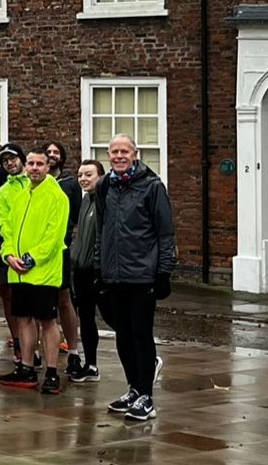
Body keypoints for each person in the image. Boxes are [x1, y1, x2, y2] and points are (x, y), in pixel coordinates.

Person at [98, 135, 175, 421]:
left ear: (135, 154)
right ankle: (133, 388)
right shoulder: (106, 185)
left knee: (141, 334)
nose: (119, 156)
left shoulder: (152, 186)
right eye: (114, 151)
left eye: (124, 151)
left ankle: (147, 396)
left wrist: (164, 272)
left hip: (143, 274)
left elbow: (165, 233)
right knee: (123, 335)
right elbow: (102, 230)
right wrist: (99, 267)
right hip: (114, 274)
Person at [0, 148, 71, 394]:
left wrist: (31, 258)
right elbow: (6, 228)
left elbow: (54, 235)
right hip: (17, 270)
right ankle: (26, 367)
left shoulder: (57, 196)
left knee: (47, 321)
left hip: (44, 272)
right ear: (25, 166)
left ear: (48, 167)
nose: (35, 168)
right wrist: (8, 255)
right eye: (31, 163)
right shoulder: (18, 195)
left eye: (40, 164)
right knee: (24, 319)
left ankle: (51, 371)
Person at [65, 159, 104, 384]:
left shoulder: (103, 201)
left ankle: (146, 358)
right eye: (80, 175)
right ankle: (91, 365)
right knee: (86, 319)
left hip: (96, 271)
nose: (83, 179)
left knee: (113, 317)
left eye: (88, 174)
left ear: (100, 176)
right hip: (80, 270)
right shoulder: (85, 200)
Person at [0, 143, 28, 367]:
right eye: (5, 161)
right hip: (9, 252)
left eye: (13, 158)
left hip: (35, 253)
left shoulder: (35, 184)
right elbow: (3, 224)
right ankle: (18, 342)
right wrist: (10, 252)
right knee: (9, 296)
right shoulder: (3, 191)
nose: (10, 163)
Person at [45, 140, 82, 371]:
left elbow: (76, 216)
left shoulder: (69, 184)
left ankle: (74, 349)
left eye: (55, 152)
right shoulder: (35, 184)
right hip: (38, 252)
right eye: (48, 152)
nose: (51, 156)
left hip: (62, 249)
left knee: (65, 299)